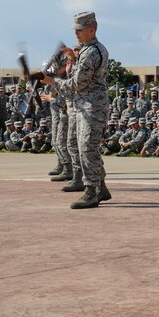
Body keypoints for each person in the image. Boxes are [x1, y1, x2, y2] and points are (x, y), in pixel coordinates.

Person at [42, 11, 111, 209]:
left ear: (92, 29)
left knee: (87, 148)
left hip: (92, 107)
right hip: (86, 105)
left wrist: (51, 81)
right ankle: (101, 188)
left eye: (80, 30)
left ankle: (90, 191)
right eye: (75, 30)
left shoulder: (91, 52)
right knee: (88, 148)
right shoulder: (85, 50)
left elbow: (76, 84)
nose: (76, 34)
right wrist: (72, 58)